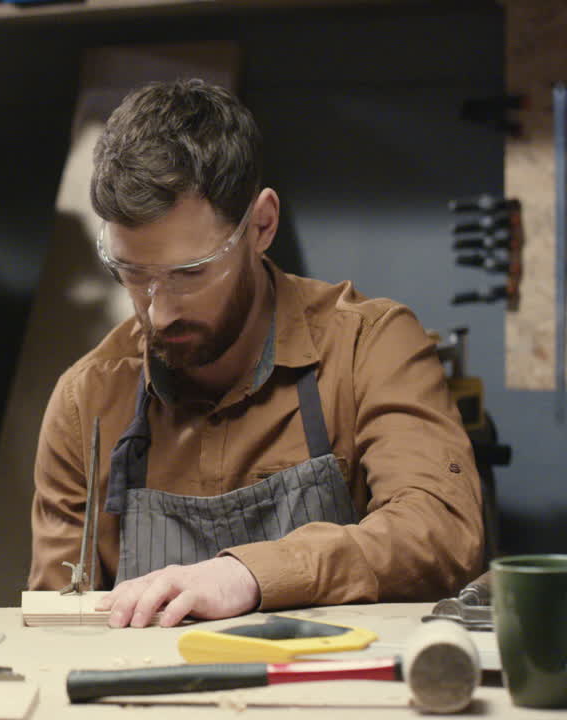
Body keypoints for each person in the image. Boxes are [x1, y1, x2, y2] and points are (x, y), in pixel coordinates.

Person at [28, 79, 482, 628]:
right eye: (133, 274)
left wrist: (248, 576)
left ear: (261, 225)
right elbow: (54, 626)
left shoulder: (369, 348)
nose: (160, 310)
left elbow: (440, 531)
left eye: (190, 273)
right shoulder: (89, 403)